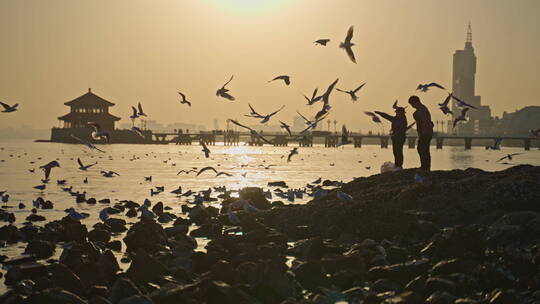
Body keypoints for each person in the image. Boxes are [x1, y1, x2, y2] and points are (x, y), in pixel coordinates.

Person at [408, 95, 434, 171]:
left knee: (423, 149)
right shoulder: (422, 109)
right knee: (423, 149)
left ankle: (425, 167)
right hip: (425, 132)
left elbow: (425, 122)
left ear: (416, 102)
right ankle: (425, 166)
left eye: (412, 104)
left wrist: (423, 132)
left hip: (425, 133)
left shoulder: (422, 109)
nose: (412, 106)